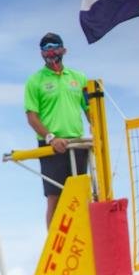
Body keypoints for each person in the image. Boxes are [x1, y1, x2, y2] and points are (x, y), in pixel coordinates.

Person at [24, 32, 90, 227]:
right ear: (41, 54)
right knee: (54, 196)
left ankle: (79, 235)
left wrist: (97, 131)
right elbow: (32, 117)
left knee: (79, 195)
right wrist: (51, 138)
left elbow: (90, 110)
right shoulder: (35, 81)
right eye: (45, 49)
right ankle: (54, 240)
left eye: (54, 47)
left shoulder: (79, 78)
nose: (50, 52)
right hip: (51, 145)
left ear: (64, 50)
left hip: (77, 143)